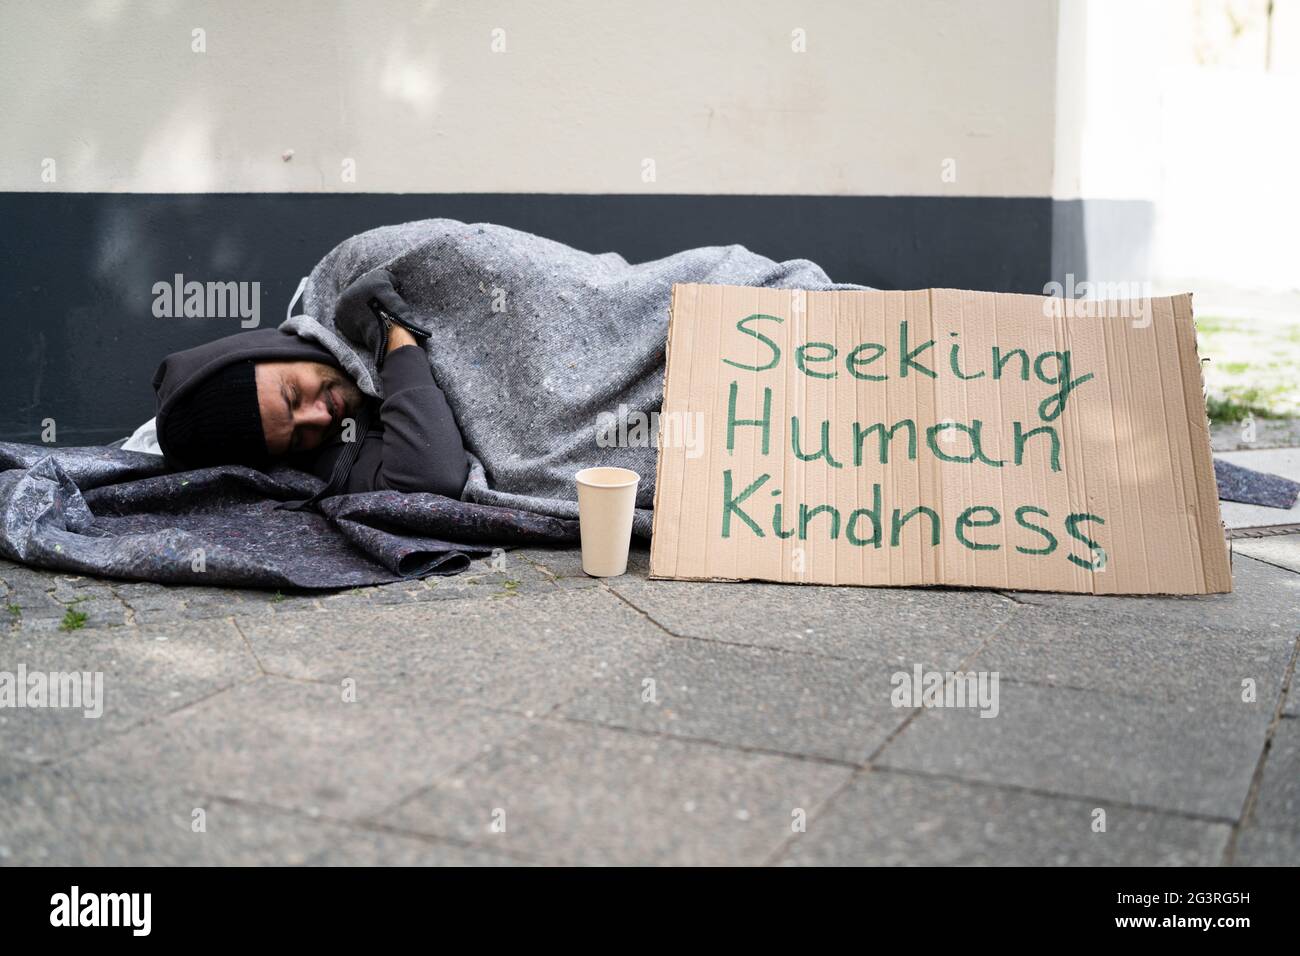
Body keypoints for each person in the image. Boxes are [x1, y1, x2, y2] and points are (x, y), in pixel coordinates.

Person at [150, 268, 469, 499]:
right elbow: (433, 477)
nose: (320, 417)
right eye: (298, 437)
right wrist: (391, 330)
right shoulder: (333, 454)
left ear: (278, 350)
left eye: (292, 396)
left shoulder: (344, 282)